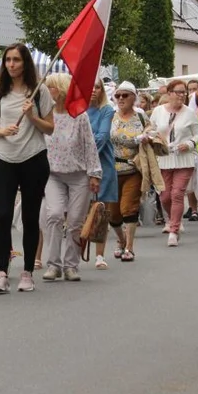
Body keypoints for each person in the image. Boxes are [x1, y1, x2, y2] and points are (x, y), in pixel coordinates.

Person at [0, 43, 54, 294]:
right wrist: (2, 131)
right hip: (5, 158)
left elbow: (50, 128)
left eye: (16, 60)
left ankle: (27, 271)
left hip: (34, 158)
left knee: (29, 216)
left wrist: (33, 116)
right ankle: (2, 272)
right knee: (3, 215)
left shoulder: (39, 91)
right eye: (8, 60)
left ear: (26, 62)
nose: (11, 64)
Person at [40, 73, 101, 282]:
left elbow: (89, 145)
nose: (48, 91)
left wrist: (94, 173)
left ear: (63, 89)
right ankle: (53, 265)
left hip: (79, 175)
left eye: (52, 87)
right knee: (55, 215)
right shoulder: (44, 114)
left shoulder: (79, 115)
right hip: (52, 174)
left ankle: (71, 265)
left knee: (75, 220)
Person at [150, 79, 198, 247]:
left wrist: (190, 144)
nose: (182, 95)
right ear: (169, 93)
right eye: (178, 92)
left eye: (184, 92)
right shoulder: (158, 111)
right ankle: (174, 219)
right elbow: (151, 130)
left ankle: (173, 230)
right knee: (164, 196)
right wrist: (152, 138)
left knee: (177, 193)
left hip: (184, 158)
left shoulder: (189, 113)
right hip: (164, 158)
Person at [109, 81, 149, 261]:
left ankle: (130, 247)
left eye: (125, 95)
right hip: (111, 170)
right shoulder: (111, 116)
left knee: (128, 208)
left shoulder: (140, 117)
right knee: (113, 213)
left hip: (133, 169)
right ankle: (121, 240)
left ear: (134, 97)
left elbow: (152, 132)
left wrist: (147, 137)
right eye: (118, 95)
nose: (121, 99)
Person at [87, 79, 117, 269]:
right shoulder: (77, 110)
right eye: (90, 86)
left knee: (101, 210)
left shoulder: (106, 110)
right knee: (78, 210)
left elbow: (102, 135)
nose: (93, 90)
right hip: (79, 165)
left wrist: (84, 153)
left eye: (97, 87)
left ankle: (99, 255)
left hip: (101, 163)